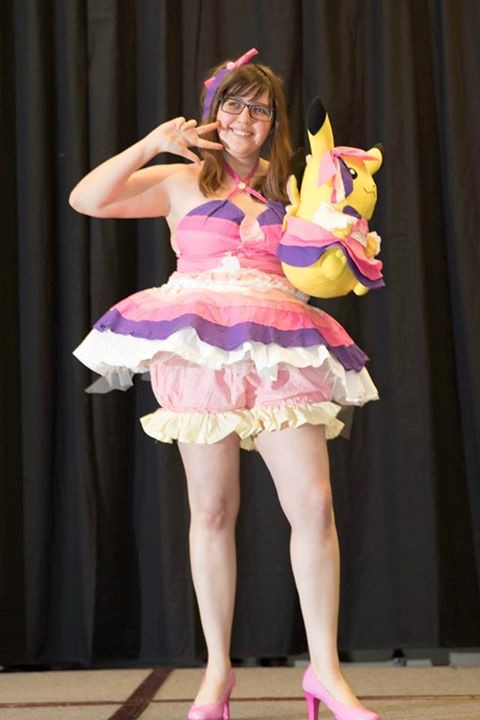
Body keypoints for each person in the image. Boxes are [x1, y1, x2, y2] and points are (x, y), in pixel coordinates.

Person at [70, 49, 380, 720]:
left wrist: (347, 247)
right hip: (200, 346)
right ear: (213, 114)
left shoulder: (292, 184)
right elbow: (86, 199)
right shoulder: (180, 179)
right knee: (211, 510)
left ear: (274, 122)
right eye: (234, 105)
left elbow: (329, 251)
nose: (246, 118)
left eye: (260, 108)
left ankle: (325, 671)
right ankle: (217, 672)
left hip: (280, 346)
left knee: (314, 506)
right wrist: (154, 142)